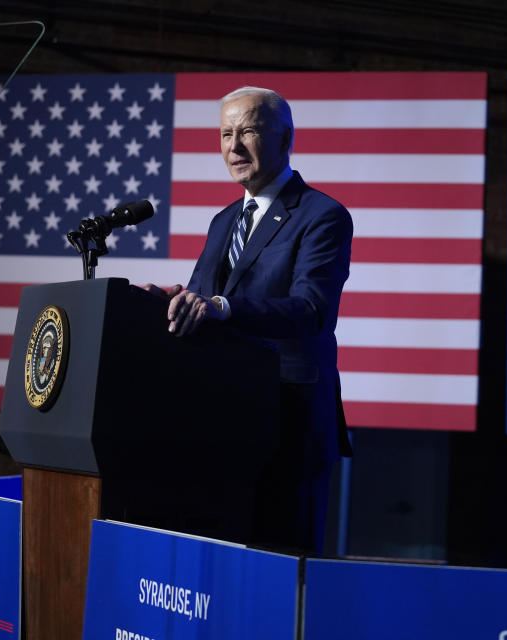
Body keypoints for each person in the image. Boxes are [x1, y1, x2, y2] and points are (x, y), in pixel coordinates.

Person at [143, 86, 352, 554]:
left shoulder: (323, 216)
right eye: (225, 134)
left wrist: (220, 308)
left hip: (288, 423)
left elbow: (311, 310)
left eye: (249, 131)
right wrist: (169, 300)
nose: (234, 147)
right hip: (222, 420)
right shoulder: (223, 221)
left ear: (285, 139)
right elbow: (203, 297)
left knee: (278, 568)